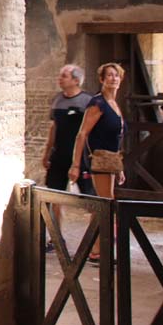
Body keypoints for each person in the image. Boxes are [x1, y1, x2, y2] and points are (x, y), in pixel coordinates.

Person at [70, 62, 127, 263]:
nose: (114, 78)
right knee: (106, 204)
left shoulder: (115, 104)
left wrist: (119, 167)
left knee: (105, 204)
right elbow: (82, 134)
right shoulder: (98, 103)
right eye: (109, 75)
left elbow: (117, 137)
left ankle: (94, 249)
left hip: (111, 159)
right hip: (99, 159)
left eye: (116, 75)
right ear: (102, 80)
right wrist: (75, 164)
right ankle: (97, 250)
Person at [41, 65, 94, 249]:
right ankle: (56, 238)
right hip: (59, 156)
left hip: (81, 158)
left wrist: (80, 161)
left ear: (76, 80)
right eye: (60, 75)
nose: (60, 79)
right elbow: (54, 128)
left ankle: (94, 243)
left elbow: (89, 132)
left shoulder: (88, 101)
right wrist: (48, 152)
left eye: (64, 76)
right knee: (54, 198)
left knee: (92, 201)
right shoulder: (57, 100)